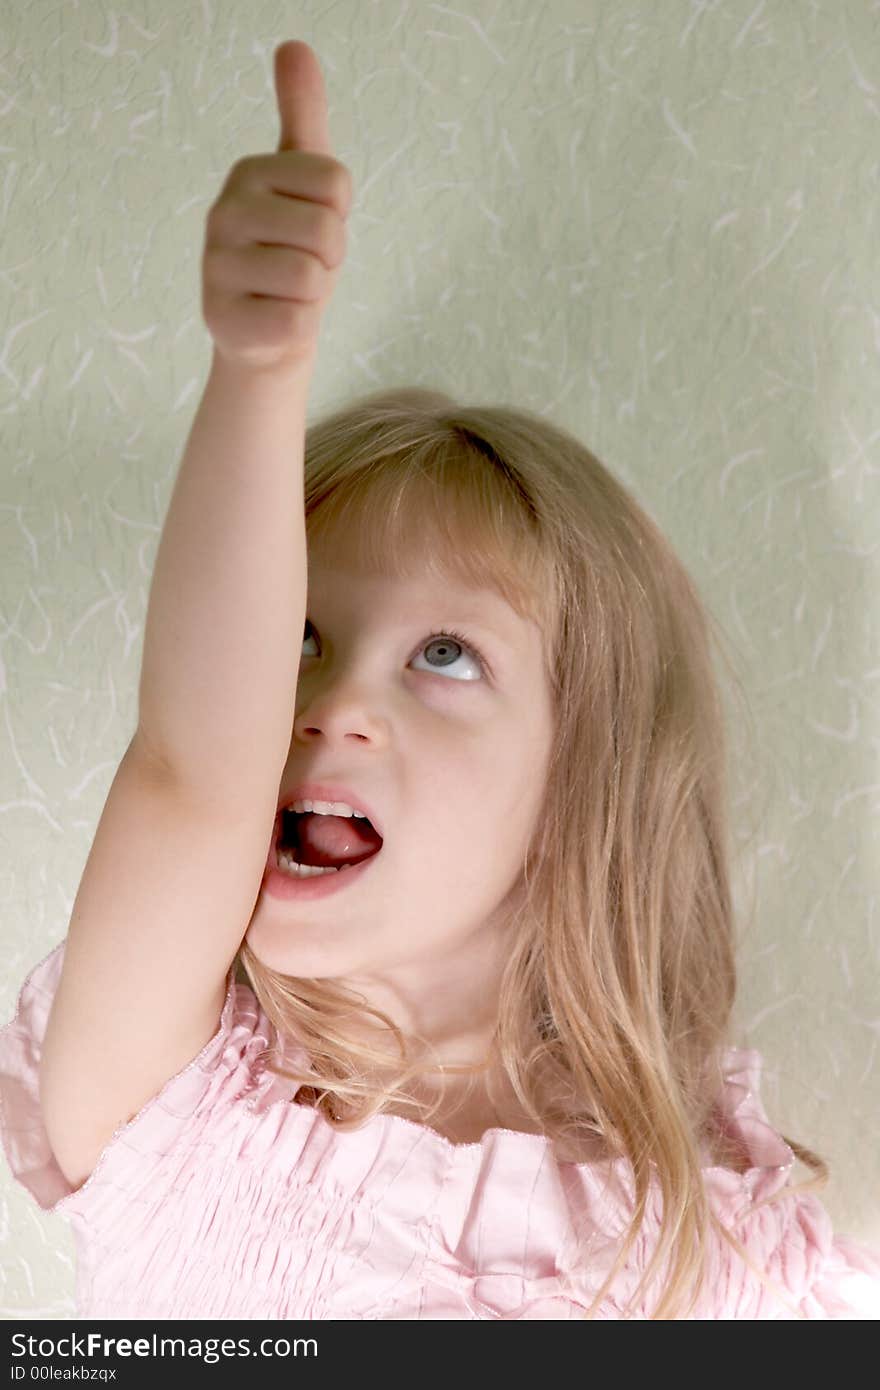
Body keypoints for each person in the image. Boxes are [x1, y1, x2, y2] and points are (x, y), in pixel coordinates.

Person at [1, 40, 878, 1322]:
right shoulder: (174, 1102)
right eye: (294, 638)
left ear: (582, 773)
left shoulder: (723, 1245)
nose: (328, 702)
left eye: (445, 655)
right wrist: (255, 374)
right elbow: (195, 765)